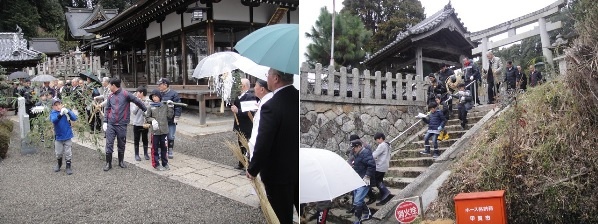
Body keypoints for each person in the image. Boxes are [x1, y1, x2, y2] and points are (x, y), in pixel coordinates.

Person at [246, 68, 298, 224]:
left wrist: (253, 169)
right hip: (297, 168)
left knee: (280, 216)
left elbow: (264, 143)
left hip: (278, 174)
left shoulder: (272, 105)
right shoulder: (297, 98)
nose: (266, 79)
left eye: (267, 75)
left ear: (276, 78)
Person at [102, 78, 147, 171]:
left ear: (113, 85)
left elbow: (137, 101)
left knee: (121, 143)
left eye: (110, 85)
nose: (109, 87)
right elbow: (107, 109)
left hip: (122, 123)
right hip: (111, 123)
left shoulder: (126, 94)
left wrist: (145, 110)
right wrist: (105, 121)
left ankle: (121, 161)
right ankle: (108, 163)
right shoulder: (110, 96)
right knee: (109, 143)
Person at [231, 78, 258, 170]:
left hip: (247, 125)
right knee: (240, 144)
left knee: (247, 145)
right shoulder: (238, 96)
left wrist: (238, 110)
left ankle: (248, 165)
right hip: (239, 124)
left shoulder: (250, 96)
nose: (238, 86)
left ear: (244, 86)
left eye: (240, 84)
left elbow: (250, 111)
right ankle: (241, 162)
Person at [146, 90, 174, 171]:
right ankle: (156, 164)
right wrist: (152, 120)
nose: (154, 98)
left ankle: (165, 163)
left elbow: (170, 116)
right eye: (153, 96)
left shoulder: (164, 106)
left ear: (160, 97)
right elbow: (147, 117)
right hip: (155, 131)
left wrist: (171, 107)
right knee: (155, 148)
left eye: (156, 96)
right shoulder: (150, 107)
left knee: (164, 148)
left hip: (164, 130)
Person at [349, 139, 375, 223]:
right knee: (358, 199)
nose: (353, 149)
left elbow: (372, 165)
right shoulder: (357, 154)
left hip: (364, 180)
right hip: (358, 179)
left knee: (357, 201)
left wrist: (367, 176)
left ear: (359, 146)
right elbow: (358, 165)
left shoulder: (366, 153)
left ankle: (357, 221)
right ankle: (368, 212)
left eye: (354, 148)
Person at [49, 99, 78, 175]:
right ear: (53, 107)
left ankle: (68, 166)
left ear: (62, 104)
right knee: (58, 153)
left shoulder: (65, 111)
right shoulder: (53, 113)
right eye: (55, 105)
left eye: (59, 104)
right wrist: (60, 114)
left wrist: (68, 112)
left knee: (68, 152)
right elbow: (53, 120)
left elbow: (74, 118)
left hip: (67, 135)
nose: (58, 106)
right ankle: (59, 164)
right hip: (58, 137)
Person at [156, 78, 181, 159]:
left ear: (165, 85)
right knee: (160, 136)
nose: (158, 86)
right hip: (160, 119)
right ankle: (160, 151)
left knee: (170, 136)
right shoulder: (158, 94)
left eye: (160, 84)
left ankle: (170, 150)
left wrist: (176, 117)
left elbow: (178, 106)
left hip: (170, 119)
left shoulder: (174, 94)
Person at [248, 79, 273, 161]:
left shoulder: (267, 104)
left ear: (262, 89)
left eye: (255, 86)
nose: (254, 88)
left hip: (259, 143)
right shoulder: (266, 101)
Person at [371, 133, 394, 206]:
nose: (377, 141)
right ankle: (384, 199)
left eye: (377, 140)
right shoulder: (388, 145)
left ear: (380, 138)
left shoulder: (381, 145)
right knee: (380, 181)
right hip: (385, 165)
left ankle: (386, 192)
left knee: (377, 182)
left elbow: (374, 155)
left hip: (379, 166)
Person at [132, 86, 150, 161]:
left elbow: (148, 112)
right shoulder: (135, 100)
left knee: (145, 138)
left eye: (137, 92)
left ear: (141, 93)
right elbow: (134, 112)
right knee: (136, 139)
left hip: (145, 123)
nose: (136, 94)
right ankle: (136, 154)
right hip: (136, 123)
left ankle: (146, 153)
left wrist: (143, 104)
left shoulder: (148, 101)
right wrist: (138, 104)